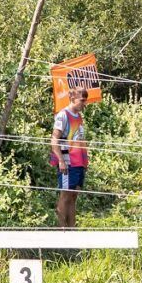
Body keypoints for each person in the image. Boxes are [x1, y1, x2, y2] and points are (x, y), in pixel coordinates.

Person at [49, 87, 90, 228]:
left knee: (73, 196)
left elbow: (80, 139)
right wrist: (60, 160)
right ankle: (62, 230)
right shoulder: (63, 115)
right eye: (82, 100)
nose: (84, 104)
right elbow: (54, 139)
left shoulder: (79, 116)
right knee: (65, 195)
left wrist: (86, 159)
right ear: (73, 98)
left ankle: (72, 230)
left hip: (79, 162)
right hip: (67, 162)